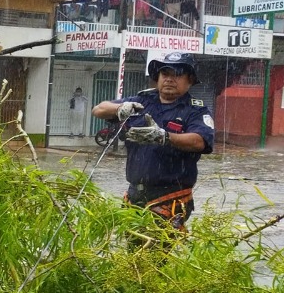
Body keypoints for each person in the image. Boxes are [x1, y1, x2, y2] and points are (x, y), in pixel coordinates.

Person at [91, 52, 214, 232]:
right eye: (165, 74)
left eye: (177, 74)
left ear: (190, 80)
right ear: (157, 78)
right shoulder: (141, 101)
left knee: (155, 254)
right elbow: (99, 109)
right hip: (135, 195)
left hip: (170, 197)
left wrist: (164, 137)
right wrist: (121, 108)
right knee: (133, 251)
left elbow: (199, 141)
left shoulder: (195, 110)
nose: (170, 79)